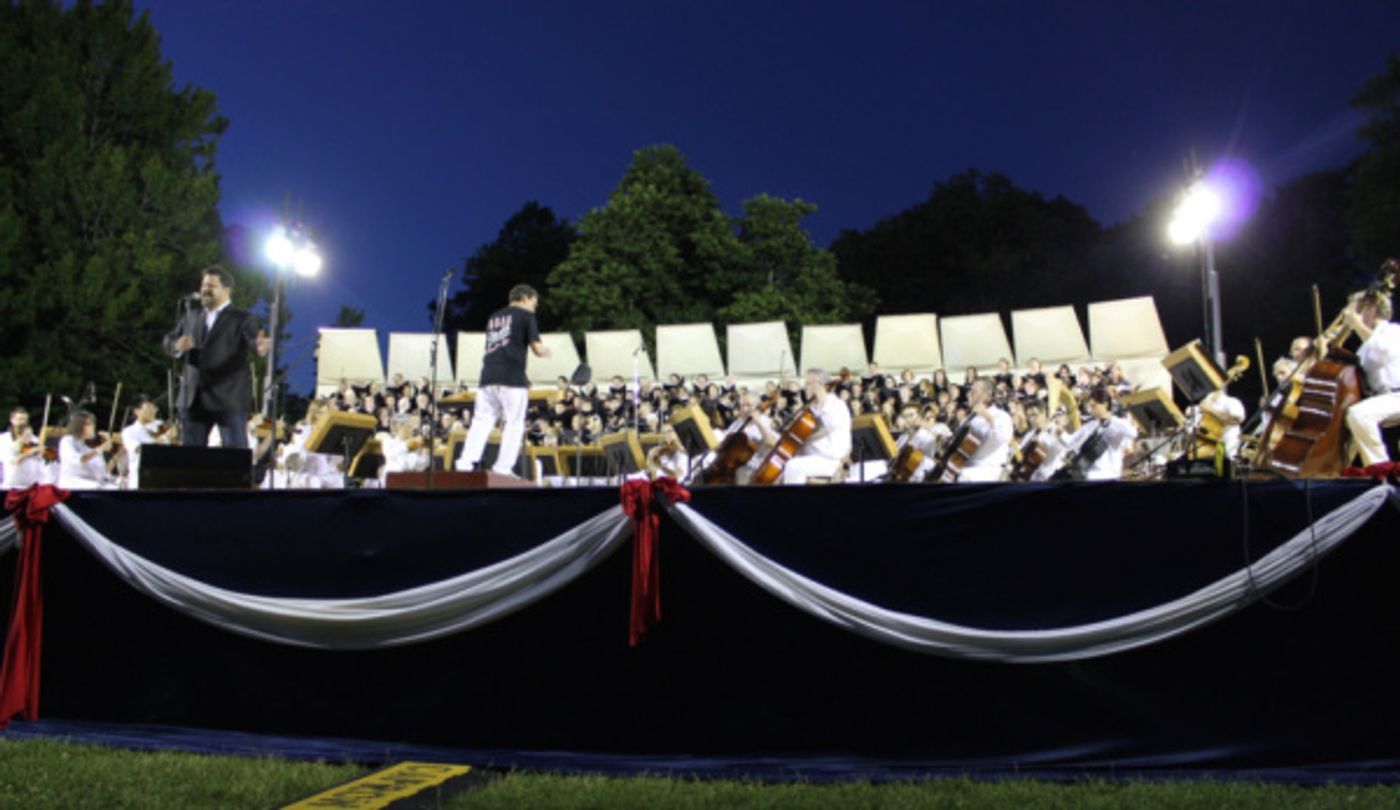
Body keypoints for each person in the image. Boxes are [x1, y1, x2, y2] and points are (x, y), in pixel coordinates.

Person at [164, 266, 271, 449]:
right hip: (194, 398)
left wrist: (259, 347)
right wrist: (176, 346)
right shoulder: (191, 316)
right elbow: (169, 339)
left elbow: (253, 341)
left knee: (233, 456)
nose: (205, 290)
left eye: (211, 286)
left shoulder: (243, 319)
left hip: (228, 398)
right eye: (203, 285)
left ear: (227, 290)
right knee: (190, 458)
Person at [456, 284, 551, 475]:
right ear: (525, 298)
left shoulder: (494, 317)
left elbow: (501, 348)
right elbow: (537, 347)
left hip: (488, 376)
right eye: (534, 303)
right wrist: (548, 352)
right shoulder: (526, 315)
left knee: (481, 421)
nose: (535, 307)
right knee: (514, 423)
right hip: (512, 378)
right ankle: (503, 467)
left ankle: (465, 463)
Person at [1342, 290, 1400, 465]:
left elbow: (1383, 351)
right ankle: (1337, 473)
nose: (1351, 316)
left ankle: (1381, 468)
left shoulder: (1393, 330)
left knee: (1359, 415)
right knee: (1345, 427)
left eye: (1356, 310)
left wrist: (1358, 325)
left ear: (1371, 309)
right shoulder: (1363, 347)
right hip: (1385, 399)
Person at [778, 369, 851, 485]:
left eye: (808, 383)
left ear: (819, 385)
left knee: (793, 467)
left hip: (830, 460)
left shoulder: (836, 405)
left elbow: (830, 427)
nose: (804, 387)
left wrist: (822, 401)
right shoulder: (812, 408)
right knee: (780, 465)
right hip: (811, 457)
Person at [1057, 388, 1138, 481]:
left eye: (1094, 406)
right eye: (1090, 406)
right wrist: (1060, 431)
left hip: (1110, 474)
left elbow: (1133, 433)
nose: (1091, 410)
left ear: (1105, 404)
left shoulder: (1118, 423)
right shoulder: (1091, 425)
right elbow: (1069, 441)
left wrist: (1111, 420)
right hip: (1091, 474)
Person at [949, 378, 1013, 482]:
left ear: (988, 395)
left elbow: (1002, 438)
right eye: (969, 391)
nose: (969, 394)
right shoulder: (968, 419)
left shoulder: (1001, 416)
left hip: (989, 469)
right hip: (966, 468)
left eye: (974, 391)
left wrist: (988, 417)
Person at [120, 394, 170, 489]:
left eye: (154, 408)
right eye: (148, 409)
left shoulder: (160, 426)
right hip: (140, 480)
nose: (153, 411)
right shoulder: (129, 431)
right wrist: (165, 438)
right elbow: (141, 449)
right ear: (137, 411)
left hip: (162, 479)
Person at [57, 411, 114, 490]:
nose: (92, 427)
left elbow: (103, 474)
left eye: (93, 424)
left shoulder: (88, 448)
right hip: (72, 485)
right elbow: (79, 460)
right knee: (97, 487)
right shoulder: (67, 441)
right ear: (78, 426)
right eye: (88, 424)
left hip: (91, 484)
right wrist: (101, 448)